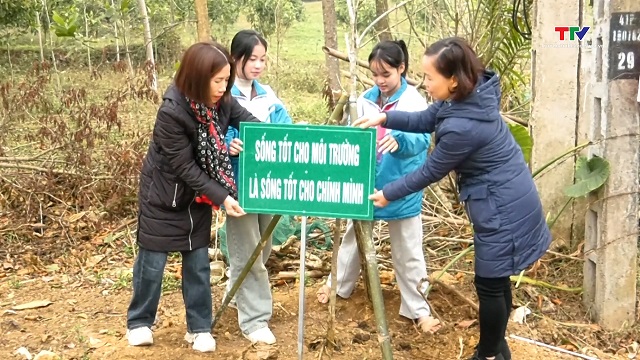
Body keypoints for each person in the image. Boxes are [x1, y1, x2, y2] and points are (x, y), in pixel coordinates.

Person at [353, 37, 552, 360]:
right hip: (503, 195)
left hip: (501, 206)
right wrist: (385, 118)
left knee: (489, 282)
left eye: (430, 77)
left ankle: (487, 353)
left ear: (453, 80)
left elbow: (431, 170)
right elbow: (425, 119)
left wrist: (389, 193)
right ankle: (498, 348)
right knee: (496, 278)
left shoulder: (463, 126)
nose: (425, 83)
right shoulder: (465, 99)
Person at [126, 41, 259, 353]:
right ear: (198, 78)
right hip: (163, 197)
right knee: (152, 264)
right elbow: (185, 167)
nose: (223, 87)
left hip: (197, 200)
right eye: (217, 81)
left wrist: (290, 139)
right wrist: (223, 197)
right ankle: (139, 322)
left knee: (198, 264)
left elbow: (253, 124)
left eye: (226, 80)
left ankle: (199, 328)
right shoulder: (172, 112)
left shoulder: (222, 102)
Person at [315, 40, 441, 334]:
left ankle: (418, 309)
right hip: (366, 183)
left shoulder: (414, 101)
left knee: (408, 249)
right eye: (374, 74)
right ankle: (338, 286)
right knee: (353, 239)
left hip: (401, 185)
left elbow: (423, 138)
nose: (380, 81)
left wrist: (401, 141)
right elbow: (351, 134)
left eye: (386, 74)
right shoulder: (364, 100)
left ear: (402, 69)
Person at [222, 29, 293, 345]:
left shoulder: (269, 97)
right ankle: (255, 320)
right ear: (236, 58)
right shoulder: (223, 95)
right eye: (252, 59)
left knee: (262, 248)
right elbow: (209, 133)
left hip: (270, 183)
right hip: (238, 184)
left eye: (263, 59)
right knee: (247, 248)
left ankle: (236, 294)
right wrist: (228, 144)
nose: (258, 65)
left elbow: (286, 131)